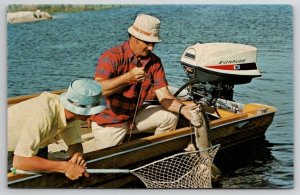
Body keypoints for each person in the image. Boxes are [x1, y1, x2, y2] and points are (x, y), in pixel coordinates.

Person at [91, 13, 193, 150]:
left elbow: (164, 96)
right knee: (108, 164)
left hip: (134, 118)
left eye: (153, 43)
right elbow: (97, 90)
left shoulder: (154, 62)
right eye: (147, 43)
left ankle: (154, 156)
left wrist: (183, 109)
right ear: (134, 38)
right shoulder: (112, 56)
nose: (151, 48)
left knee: (170, 117)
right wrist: (127, 78)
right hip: (109, 122)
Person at [7, 78, 106, 180]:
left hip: (36, 145)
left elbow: (74, 144)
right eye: (94, 110)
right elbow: (20, 161)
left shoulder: (73, 114)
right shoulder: (44, 114)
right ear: (81, 110)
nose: (95, 114)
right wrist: (66, 167)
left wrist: (77, 155)